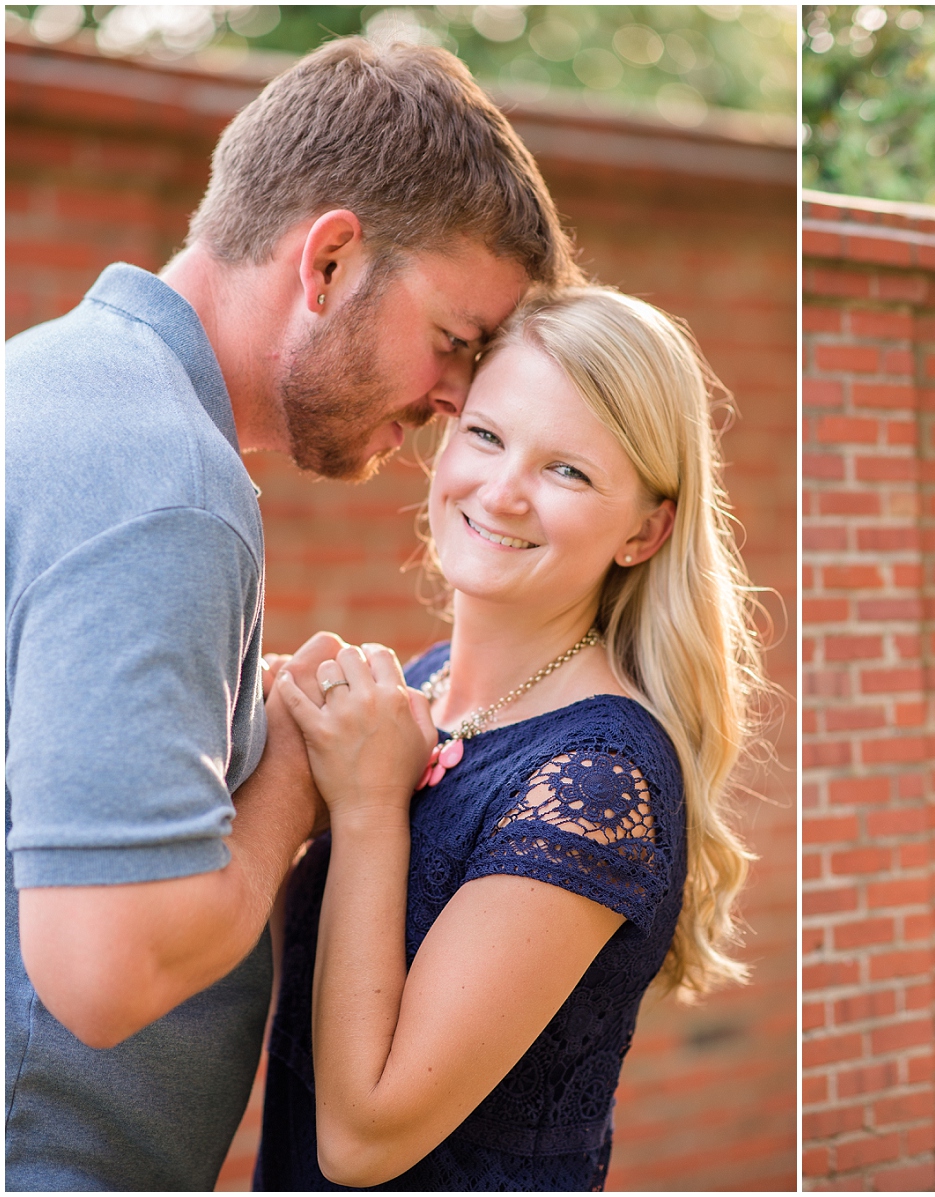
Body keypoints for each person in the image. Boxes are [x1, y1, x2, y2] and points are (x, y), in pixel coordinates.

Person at [4, 37, 575, 1191]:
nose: (457, 401)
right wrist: (292, 787)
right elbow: (101, 972)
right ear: (328, 262)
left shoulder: (46, 380)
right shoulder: (169, 489)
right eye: (457, 342)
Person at [253, 286, 766, 1191]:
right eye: (486, 435)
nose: (502, 492)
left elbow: (363, 1139)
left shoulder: (598, 779)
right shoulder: (424, 686)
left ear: (645, 531)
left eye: (568, 471)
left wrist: (369, 807)